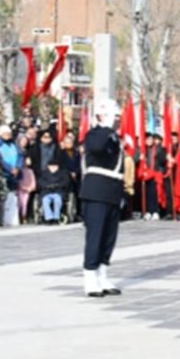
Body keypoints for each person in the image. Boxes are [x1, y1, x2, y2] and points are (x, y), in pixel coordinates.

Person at [80, 99, 126, 298]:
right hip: (96, 191)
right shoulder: (95, 134)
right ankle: (90, 277)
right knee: (96, 236)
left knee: (108, 237)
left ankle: (102, 274)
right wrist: (106, 128)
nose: (117, 121)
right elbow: (97, 148)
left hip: (112, 191)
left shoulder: (113, 137)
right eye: (114, 117)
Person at [39, 158, 71, 224]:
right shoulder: (44, 173)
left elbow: (66, 181)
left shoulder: (63, 173)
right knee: (45, 200)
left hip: (58, 191)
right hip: (47, 192)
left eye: (54, 166)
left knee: (57, 200)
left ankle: (56, 217)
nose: (53, 168)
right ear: (48, 166)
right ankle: (49, 218)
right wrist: (47, 185)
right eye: (51, 166)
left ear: (58, 166)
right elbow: (40, 181)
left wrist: (57, 185)